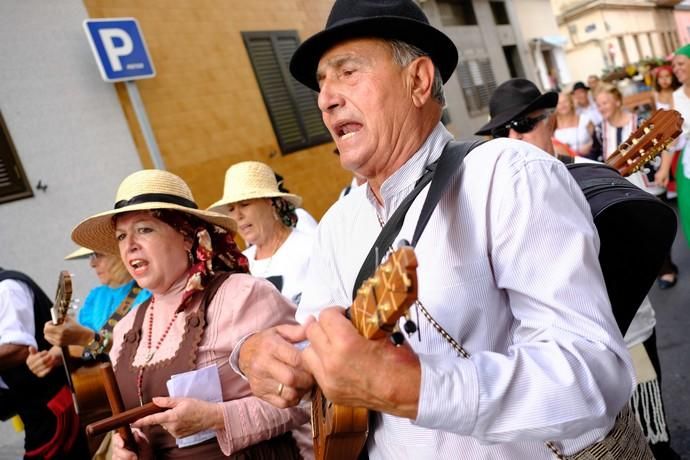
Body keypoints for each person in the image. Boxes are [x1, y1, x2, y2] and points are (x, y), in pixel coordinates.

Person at [232, 1, 644, 458]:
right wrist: (256, 354)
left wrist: (410, 386)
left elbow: (592, 375)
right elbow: (313, 337)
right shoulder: (336, 226)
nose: (326, 98)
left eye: (347, 72)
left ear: (418, 80)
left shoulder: (507, 175)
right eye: (322, 83)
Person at [479, 77, 680, 460]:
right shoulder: (496, 196)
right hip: (555, 360)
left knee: (650, 434)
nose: (512, 137)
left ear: (550, 121)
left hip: (624, 326)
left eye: (523, 124)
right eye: (500, 131)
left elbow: (642, 239)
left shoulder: (594, 172)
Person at [71, 169, 309, 459]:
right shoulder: (126, 328)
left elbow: (308, 395)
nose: (130, 244)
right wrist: (134, 446)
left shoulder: (242, 296)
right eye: (121, 236)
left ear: (186, 237)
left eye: (145, 229)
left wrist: (217, 417)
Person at [595, 83, 678, 289]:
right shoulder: (600, 129)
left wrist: (664, 169)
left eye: (605, 102)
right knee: (637, 230)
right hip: (620, 186)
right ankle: (656, 268)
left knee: (655, 226)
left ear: (616, 100)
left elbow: (665, 144)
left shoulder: (639, 121)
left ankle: (666, 269)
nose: (601, 107)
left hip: (647, 181)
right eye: (598, 104)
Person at [0, 268, 89, 459]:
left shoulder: (6, 288)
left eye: (98, 255)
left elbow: (18, 348)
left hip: (54, 408)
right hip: (33, 410)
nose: (94, 263)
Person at [208, 161, 314, 305]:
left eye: (245, 204)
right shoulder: (239, 264)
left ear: (270, 202)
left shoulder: (310, 247)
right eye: (231, 209)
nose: (238, 216)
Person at [653, 65, 683, 201]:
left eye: (667, 77)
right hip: (662, 130)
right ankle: (670, 185)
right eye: (661, 78)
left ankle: (676, 184)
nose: (664, 80)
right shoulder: (655, 94)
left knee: (675, 153)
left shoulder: (676, 94)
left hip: (677, 129)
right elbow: (655, 113)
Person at [672, 44, 690, 251]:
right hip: (688, 160)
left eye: (680, 63)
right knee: (687, 209)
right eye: (673, 65)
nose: (675, 69)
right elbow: (676, 135)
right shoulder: (676, 96)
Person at [552, 91, 595, 158]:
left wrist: (590, 146)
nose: (563, 105)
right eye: (559, 103)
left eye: (565, 101)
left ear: (571, 103)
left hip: (588, 158)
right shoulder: (553, 125)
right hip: (567, 164)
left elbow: (598, 141)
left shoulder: (584, 119)